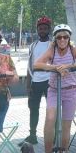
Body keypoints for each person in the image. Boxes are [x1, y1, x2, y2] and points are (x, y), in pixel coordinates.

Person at [33, 24, 76, 153]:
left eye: (65, 37)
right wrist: (54, 68)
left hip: (71, 90)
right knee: (50, 119)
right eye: (59, 37)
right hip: (54, 90)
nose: (62, 40)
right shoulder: (51, 50)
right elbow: (36, 64)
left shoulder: (73, 49)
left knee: (66, 125)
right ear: (55, 38)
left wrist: (68, 67)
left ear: (69, 38)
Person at [23, 16, 53, 144]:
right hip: (35, 81)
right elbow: (29, 65)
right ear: (37, 30)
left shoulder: (53, 45)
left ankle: (53, 135)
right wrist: (28, 84)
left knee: (52, 110)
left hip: (49, 81)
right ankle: (32, 135)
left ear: (49, 30)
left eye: (45, 28)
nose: (42, 30)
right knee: (33, 108)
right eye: (40, 28)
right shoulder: (33, 46)